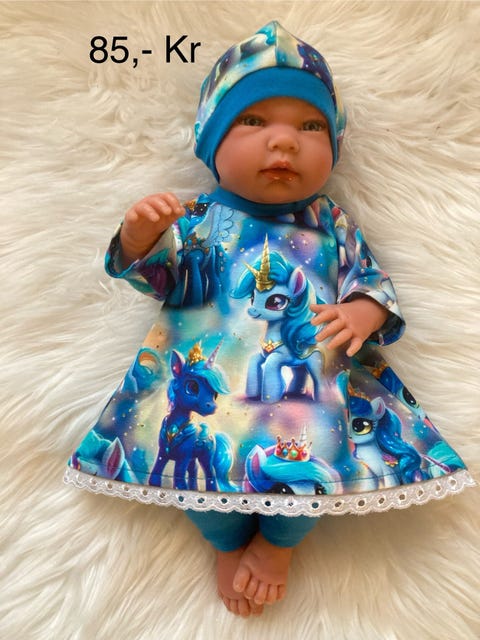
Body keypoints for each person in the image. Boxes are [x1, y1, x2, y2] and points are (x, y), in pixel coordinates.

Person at [65, 22, 474, 617]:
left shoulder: (329, 221)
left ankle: (278, 545)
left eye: (310, 127)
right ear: (210, 143)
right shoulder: (198, 217)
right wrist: (140, 239)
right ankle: (226, 541)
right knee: (189, 476)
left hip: (310, 391)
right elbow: (160, 277)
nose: (284, 143)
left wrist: (362, 311)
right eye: (254, 121)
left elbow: (368, 278)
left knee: (317, 468)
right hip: (206, 382)